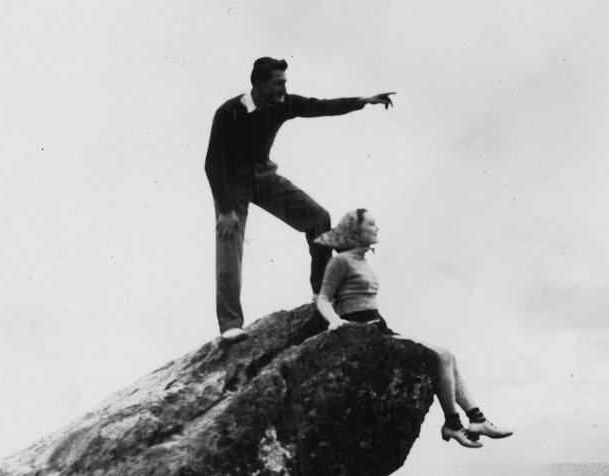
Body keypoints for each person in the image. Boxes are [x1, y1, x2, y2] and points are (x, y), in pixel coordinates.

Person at [205, 56, 395, 341]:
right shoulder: (229, 112)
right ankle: (230, 324)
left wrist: (362, 100)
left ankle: (321, 295)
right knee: (229, 240)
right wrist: (226, 209)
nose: (283, 89)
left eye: (285, 83)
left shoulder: (284, 104)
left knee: (319, 218)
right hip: (231, 181)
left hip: (263, 175)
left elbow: (321, 106)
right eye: (277, 83)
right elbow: (212, 164)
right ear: (258, 84)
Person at [313, 208, 512, 449]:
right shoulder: (340, 261)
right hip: (360, 330)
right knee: (441, 356)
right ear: (356, 230)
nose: (377, 228)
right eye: (371, 224)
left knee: (448, 356)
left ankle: (477, 420)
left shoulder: (361, 259)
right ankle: (453, 424)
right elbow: (323, 298)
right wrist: (335, 321)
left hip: (377, 326)